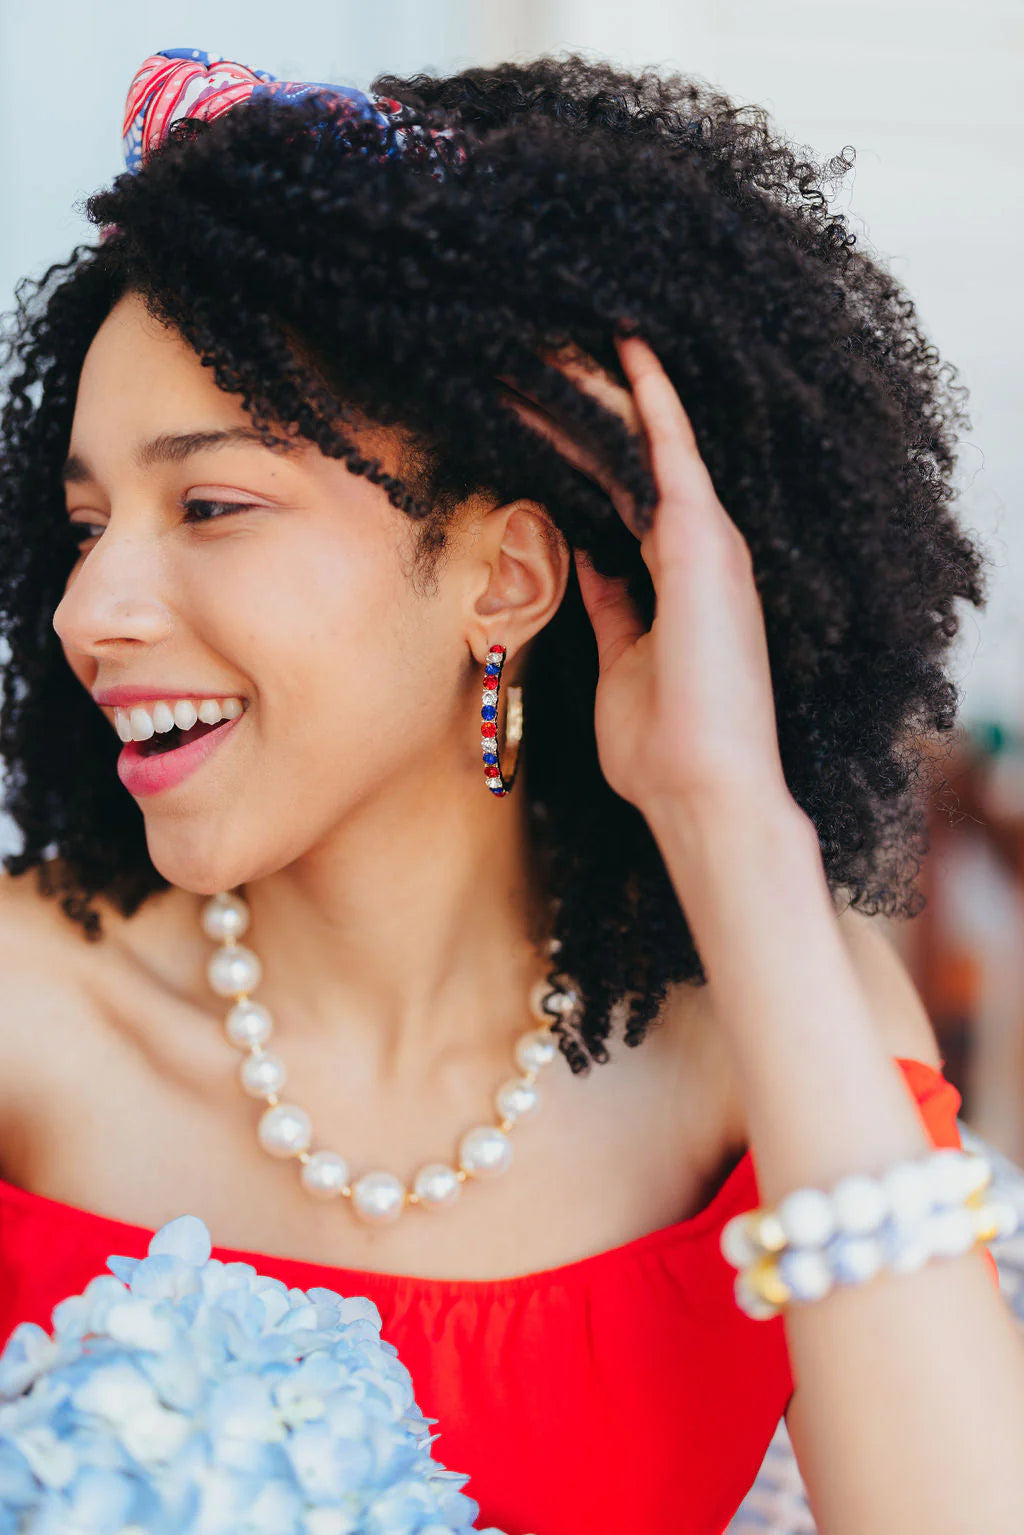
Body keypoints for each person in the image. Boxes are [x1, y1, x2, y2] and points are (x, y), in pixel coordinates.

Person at [0, 47, 1020, 1535]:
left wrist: (729, 819)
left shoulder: (766, 1028)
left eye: (210, 505)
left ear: (506, 576)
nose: (91, 612)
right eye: (87, 525)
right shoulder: (29, 1015)